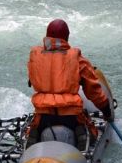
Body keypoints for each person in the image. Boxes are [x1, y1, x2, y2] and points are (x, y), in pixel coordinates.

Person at [26, 18, 112, 150]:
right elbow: (93, 90)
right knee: (91, 138)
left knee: (32, 137)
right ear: (66, 37)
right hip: (71, 117)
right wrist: (106, 111)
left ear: (47, 36)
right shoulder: (76, 58)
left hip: (43, 115)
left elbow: (31, 80)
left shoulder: (34, 56)